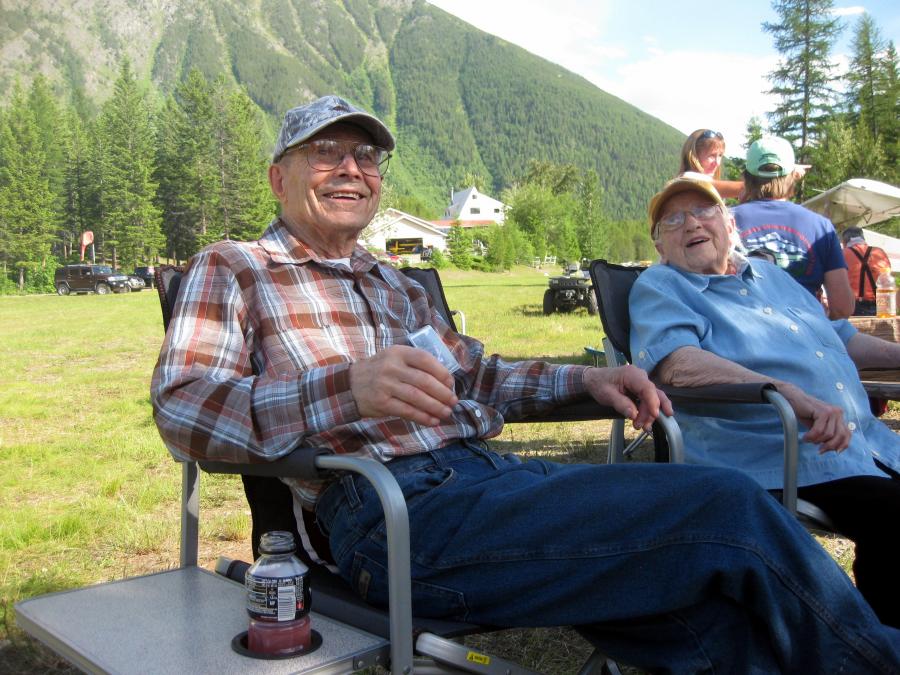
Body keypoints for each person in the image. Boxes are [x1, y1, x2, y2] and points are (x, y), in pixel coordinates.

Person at [152, 95, 900, 672]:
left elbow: (479, 373)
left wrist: (590, 376)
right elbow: (183, 405)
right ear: (279, 175)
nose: (351, 168)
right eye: (327, 152)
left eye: (366, 157)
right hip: (391, 516)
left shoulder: (393, 283)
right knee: (724, 507)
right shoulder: (236, 267)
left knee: (715, 625)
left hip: (487, 481)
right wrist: (345, 389)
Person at [629, 174, 900, 629]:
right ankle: (878, 648)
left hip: (862, 442)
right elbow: (677, 364)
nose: (690, 223)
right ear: (660, 246)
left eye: (703, 211)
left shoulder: (771, 275)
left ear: (729, 225)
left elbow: (842, 338)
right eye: (672, 220)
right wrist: (787, 394)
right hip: (779, 451)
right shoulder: (662, 285)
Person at [733, 136, 855, 319]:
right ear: (792, 177)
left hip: (741, 335)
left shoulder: (723, 220)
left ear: (747, 178)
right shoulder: (821, 227)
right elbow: (842, 307)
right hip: (805, 336)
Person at [676, 128, 744, 200]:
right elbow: (742, 189)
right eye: (712, 155)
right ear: (694, 156)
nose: (717, 163)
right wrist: (753, 187)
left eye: (720, 155)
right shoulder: (688, 179)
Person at [843, 226, 893, 317]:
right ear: (863, 238)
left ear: (844, 241)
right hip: (881, 306)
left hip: (853, 307)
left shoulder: (842, 254)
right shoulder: (879, 252)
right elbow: (888, 279)